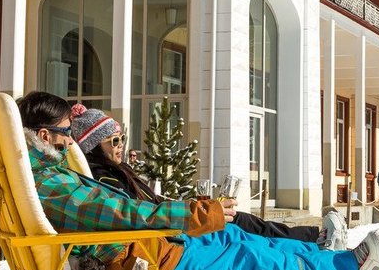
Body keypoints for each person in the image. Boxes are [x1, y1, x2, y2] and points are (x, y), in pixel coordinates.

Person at [16, 92, 379, 270]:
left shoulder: (51, 175)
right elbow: (125, 214)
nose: (71, 144)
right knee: (247, 256)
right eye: (67, 133)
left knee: (237, 237)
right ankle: (345, 269)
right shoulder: (53, 186)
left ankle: (327, 254)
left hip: (150, 246)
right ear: (45, 136)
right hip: (139, 260)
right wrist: (194, 215)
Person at [68, 103, 348, 250]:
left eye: (121, 139)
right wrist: (195, 213)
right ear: (93, 147)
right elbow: (139, 215)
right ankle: (316, 241)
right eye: (112, 142)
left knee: (246, 223)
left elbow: (149, 204)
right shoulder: (106, 180)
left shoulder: (116, 173)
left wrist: (195, 204)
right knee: (245, 234)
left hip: (177, 226)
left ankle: (314, 238)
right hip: (171, 237)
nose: (120, 147)